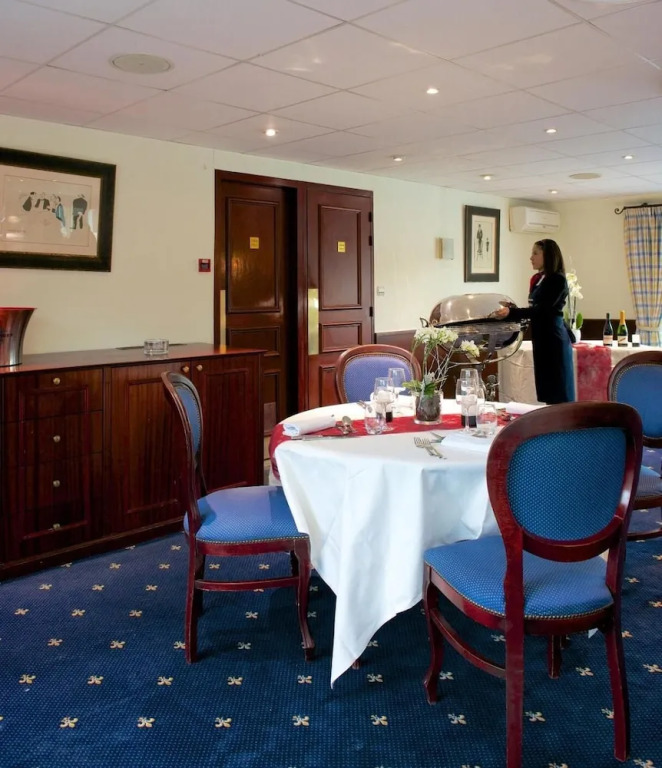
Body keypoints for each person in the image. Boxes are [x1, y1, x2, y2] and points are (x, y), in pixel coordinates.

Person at [492, 239, 575, 404]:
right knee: (547, 390)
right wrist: (512, 308)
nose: (531, 258)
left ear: (548, 256)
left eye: (535, 253)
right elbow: (535, 308)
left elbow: (543, 310)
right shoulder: (538, 279)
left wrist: (511, 313)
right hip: (542, 337)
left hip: (553, 338)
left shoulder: (557, 280)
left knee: (558, 391)